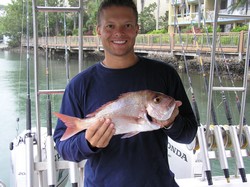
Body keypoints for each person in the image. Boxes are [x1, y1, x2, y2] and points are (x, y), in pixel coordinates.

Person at [53, 0, 198, 186]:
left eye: (127, 25)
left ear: (137, 28)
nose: (119, 33)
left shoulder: (165, 75)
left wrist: (172, 122)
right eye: (110, 26)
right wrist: (88, 142)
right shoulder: (79, 85)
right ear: (99, 30)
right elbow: (63, 147)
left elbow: (188, 134)